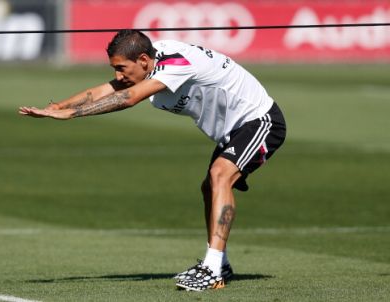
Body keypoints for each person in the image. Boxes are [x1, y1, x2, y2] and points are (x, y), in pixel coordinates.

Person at [19, 29, 286, 291]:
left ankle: (212, 267)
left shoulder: (176, 63)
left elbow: (128, 98)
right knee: (210, 187)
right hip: (233, 131)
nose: (118, 75)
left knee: (220, 175)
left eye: (122, 68)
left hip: (261, 121)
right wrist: (58, 107)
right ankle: (221, 264)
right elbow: (108, 89)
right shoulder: (149, 61)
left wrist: (73, 114)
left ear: (144, 60)